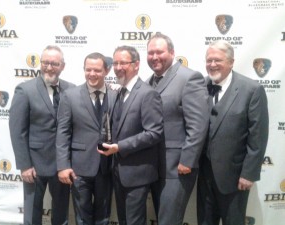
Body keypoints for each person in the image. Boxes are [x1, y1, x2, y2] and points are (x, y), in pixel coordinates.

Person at [197, 40, 269, 225]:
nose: (212, 65)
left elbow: (258, 137)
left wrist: (249, 173)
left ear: (231, 62)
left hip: (235, 179)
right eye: (209, 60)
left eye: (217, 60)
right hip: (204, 177)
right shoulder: (199, 87)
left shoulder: (251, 90)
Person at [146, 33, 209, 225]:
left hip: (177, 167)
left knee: (169, 221)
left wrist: (187, 160)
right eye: (150, 53)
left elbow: (198, 125)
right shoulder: (149, 82)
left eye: (159, 52)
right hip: (154, 166)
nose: (154, 57)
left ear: (172, 53)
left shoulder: (189, 78)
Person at [9, 45, 75, 225]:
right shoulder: (25, 90)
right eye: (45, 62)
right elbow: (17, 131)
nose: (49, 67)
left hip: (62, 164)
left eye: (54, 63)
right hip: (34, 164)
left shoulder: (72, 89)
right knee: (32, 211)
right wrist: (24, 165)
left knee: (61, 211)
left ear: (63, 66)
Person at [98, 45, 164, 225]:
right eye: (115, 63)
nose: (118, 67)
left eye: (123, 63)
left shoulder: (147, 94)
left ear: (136, 65)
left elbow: (154, 132)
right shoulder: (118, 92)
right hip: (117, 171)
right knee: (124, 220)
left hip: (137, 173)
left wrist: (120, 147)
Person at [56, 52, 115, 225]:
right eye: (88, 69)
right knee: (82, 217)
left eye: (97, 70)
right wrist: (63, 166)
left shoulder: (115, 95)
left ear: (107, 70)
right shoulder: (70, 96)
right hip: (79, 168)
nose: (92, 74)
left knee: (104, 216)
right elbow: (63, 132)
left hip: (107, 166)